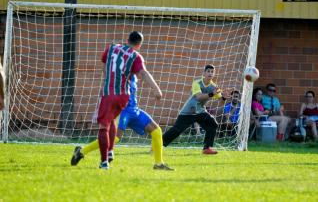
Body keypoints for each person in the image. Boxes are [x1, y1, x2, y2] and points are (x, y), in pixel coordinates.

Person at [88, 31, 162, 170]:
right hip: (124, 97)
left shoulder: (110, 49)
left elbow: (104, 67)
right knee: (112, 122)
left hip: (109, 93)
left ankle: (104, 162)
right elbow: (144, 73)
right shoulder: (136, 56)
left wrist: (106, 83)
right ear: (139, 45)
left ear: (127, 40)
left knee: (104, 126)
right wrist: (157, 90)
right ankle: (110, 151)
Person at [71, 75, 174, 170]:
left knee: (157, 131)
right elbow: (106, 89)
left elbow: (143, 73)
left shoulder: (134, 74)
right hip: (122, 111)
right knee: (114, 138)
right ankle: (81, 152)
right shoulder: (118, 74)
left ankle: (159, 164)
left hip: (134, 110)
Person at [162, 64, 228, 154]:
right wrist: (212, 94)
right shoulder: (197, 83)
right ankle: (157, 144)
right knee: (177, 130)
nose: (210, 73)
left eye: (212, 72)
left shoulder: (214, 87)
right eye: (208, 71)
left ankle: (207, 148)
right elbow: (198, 97)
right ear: (204, 73)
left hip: (200, 111)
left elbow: (221, 102)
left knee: (213, 124)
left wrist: (224, 98)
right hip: (189, 111)